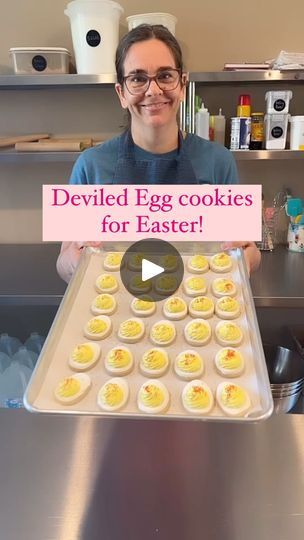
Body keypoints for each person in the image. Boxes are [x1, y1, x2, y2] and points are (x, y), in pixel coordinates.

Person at [57, 24, 260, 283]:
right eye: (138, 78)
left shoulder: (218, 161)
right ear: (121, 93)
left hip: (196, 308)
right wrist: (74, 262)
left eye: (165, 76)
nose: (153, 91)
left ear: (183, 85)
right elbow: (63, 261)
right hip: (114, 311)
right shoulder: (90, 166)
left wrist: (247, 256)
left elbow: (248, 252)